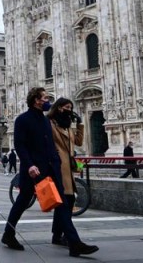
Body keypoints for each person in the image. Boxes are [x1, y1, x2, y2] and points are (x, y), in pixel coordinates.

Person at [2, 87, 98, 257]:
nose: (48, 101)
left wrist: (57, 160)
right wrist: (30, 165)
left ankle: (74, 243)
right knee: (22, 202)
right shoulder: (22, 120)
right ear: (36, 100)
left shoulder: (45, 121)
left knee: (60, 203)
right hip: (33, 170)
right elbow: (20, 145)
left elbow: (50, 144)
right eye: (45, 98)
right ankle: (8, 234)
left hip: (51, 168)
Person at [48, 97, 84, 246]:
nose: (69, 110)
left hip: (68, 167)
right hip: (58, 166)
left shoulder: (67, 125)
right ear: (58, 108)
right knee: (65, 202)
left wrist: (80, 124)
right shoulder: (50, 123)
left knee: (67, 201)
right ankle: (68, 237)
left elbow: (79, 142)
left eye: (71, 107)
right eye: (66, 107)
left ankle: (57, 235)